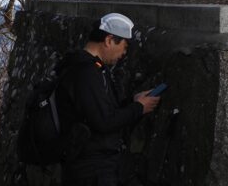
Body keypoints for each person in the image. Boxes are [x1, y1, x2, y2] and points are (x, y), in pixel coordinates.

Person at [55, 12, 161, 186]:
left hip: (92, 165)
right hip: (91, 169)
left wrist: (133, 101)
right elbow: (104, 121)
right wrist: (138, 108)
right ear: (109, 40)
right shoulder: (86, 72)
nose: (124, 53)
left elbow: (100, 110)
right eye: (124, 46)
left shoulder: (88, 67)